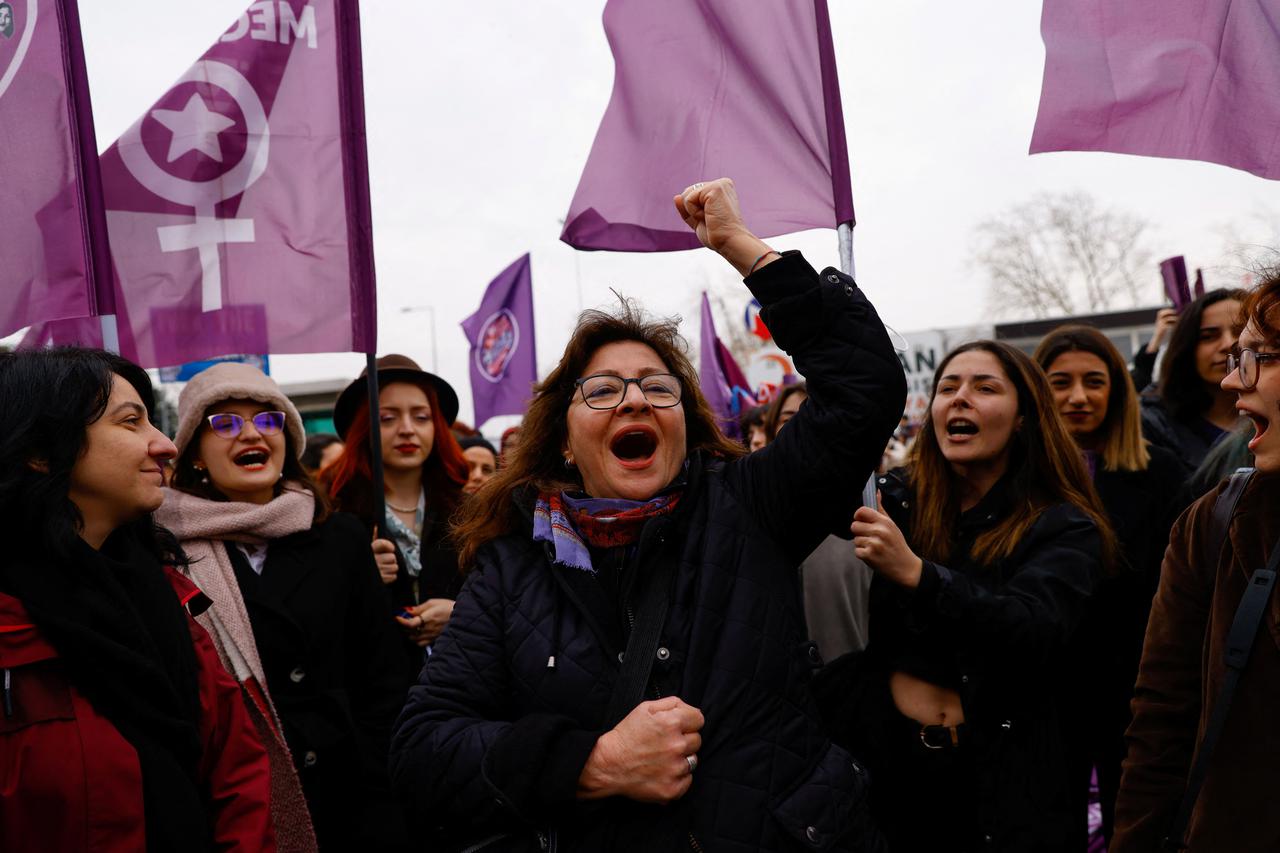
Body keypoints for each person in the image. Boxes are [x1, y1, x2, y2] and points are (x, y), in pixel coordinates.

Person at [389, 178, 905, 851]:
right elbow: (422, 749)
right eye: (602, 390)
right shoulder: (510, 569)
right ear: (566, 443)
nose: (633, 401)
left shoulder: (750, 506)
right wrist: (590, 763)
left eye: (657, 387)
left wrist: (743, 249)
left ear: (685, 427)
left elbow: (865, 389)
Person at [819, 339, 1113, 852]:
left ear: (1023, 416)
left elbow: (1033, 627)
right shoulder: (897, 498)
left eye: (985, 387)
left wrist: (918, 574)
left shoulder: (1065, 526)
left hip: (1006, 780)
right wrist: (850, 397)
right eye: (947, 387)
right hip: (888, 770)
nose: (960, 399)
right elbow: (801, 500)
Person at [0, 347, 275, 852]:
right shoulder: (12, 624)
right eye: (130, 423)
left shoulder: (171, 596)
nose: (165, 445)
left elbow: (236, 776)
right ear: (41, 450)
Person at [156, 363, 406, 850]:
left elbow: (385, 676)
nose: (252, 433)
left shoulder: (340, 537)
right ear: (195, 456)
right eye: (225, 423)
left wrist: (377, 775)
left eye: (268, 420)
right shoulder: (164, 550)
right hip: (237, 806)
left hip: (353, 799)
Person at [1113, 271, 1280, 852]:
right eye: (1236, 354)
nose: (1234, 377)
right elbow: (1162, 720)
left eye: (1260, 356)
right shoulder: (1215, 521)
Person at [1033, 325, 1185, 846]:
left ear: (1116, 388)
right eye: (1060, 382)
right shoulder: (1012, 479)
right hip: (1044, 690)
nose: (1078, 397)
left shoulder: (1161, 471)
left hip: (1133, 687)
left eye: (1094, 381)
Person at [320, 355, 468, 681]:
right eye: (387, 418)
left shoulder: (472, 513)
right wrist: (359, 575)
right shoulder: (330, 514)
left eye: (421, 416)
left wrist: (460, 613)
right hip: (375, 699)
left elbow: (508, 602)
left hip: (464, 693)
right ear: (363, 427)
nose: (406, 430)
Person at [1140, 289, 1246, 474]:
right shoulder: (1152, 428)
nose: (1229, 344)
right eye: (1208, 336)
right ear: (1185, 348)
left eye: (1240, 331)